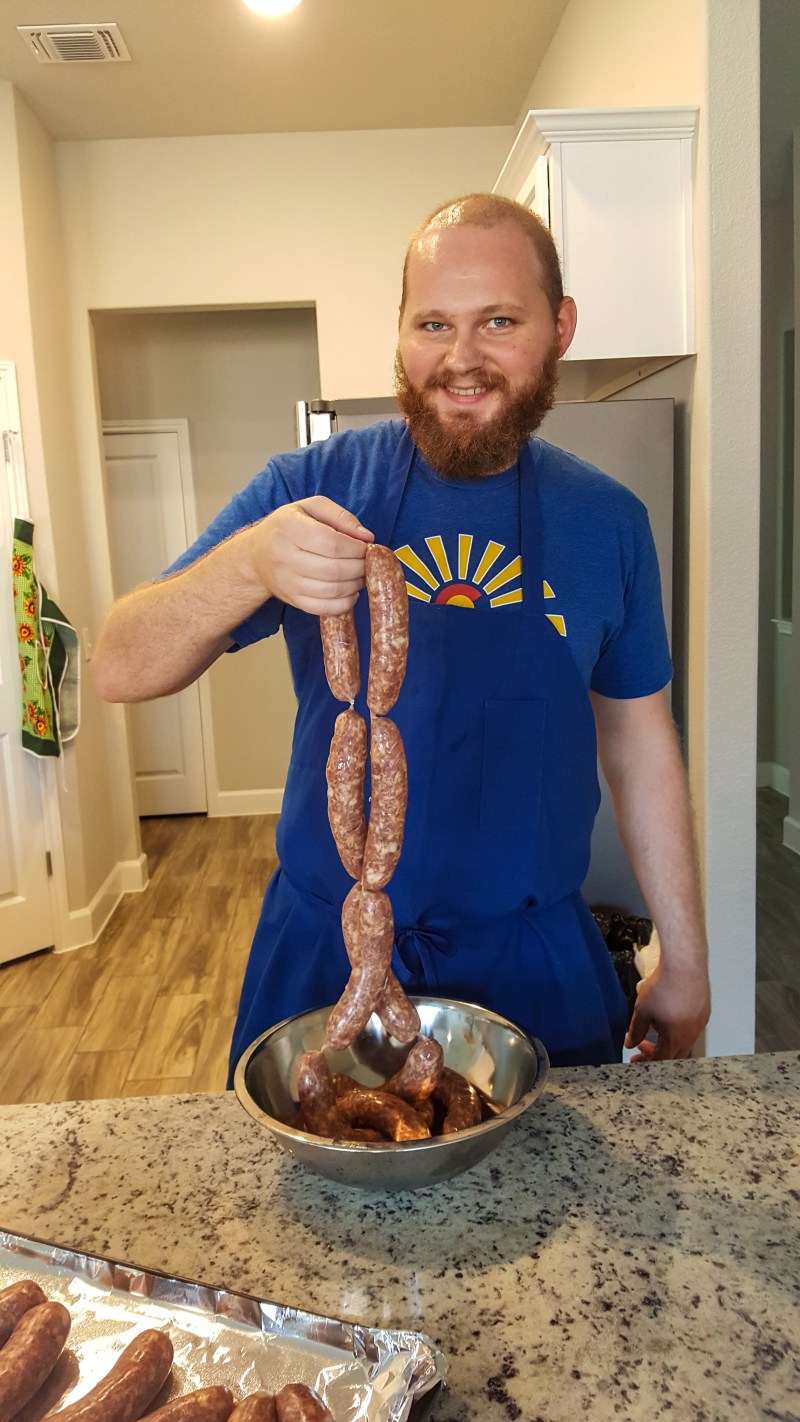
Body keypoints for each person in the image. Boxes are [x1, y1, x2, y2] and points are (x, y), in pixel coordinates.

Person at [92, 192, 711, 1076]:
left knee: (549, 1213)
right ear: (399, 332)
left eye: (499, 320)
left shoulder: (608, 522)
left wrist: (685, 960)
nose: (460, 359)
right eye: (432, 323)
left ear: (560, 326)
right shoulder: (308, 487)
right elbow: (118, 664)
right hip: (325, 953)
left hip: (534, 957)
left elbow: (641, 741)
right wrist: (248, 564)